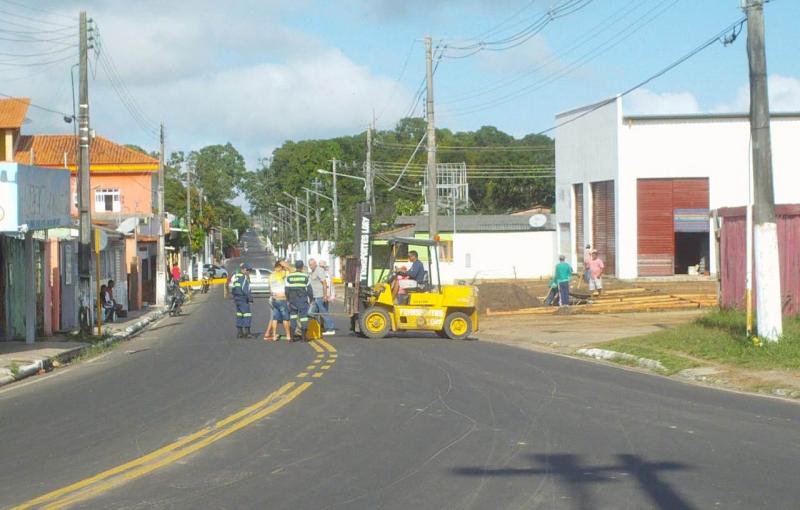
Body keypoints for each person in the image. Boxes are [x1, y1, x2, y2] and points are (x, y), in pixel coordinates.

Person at [264, 260, 291, 341]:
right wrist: (286, 265)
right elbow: (292, 271)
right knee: (285, 318)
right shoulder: (282, 273)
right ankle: (288, 335)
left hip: (273, 299)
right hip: (282, 299)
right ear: (280, 267)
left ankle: (274, 335)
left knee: (275, 318)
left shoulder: (271, 275)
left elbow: (269, 288)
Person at [285, 260, 312, 341]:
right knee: (303, 318)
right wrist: (311, 300)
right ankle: (304, 338)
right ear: (302, 267)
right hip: (302, 300)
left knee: (293, 318)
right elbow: (309, 290)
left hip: (292, 300)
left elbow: (286, 290)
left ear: (295, 266)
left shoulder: (289, 277)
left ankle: (292, 338)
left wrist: (288, 300)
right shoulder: (305, 277)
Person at [308, 259, 336, 335]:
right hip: (316, 296)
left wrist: (325, 295)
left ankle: (331, 329)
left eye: (312, 264)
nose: (311, 266)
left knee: (322, 313)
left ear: (315, 264)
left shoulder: (319, 270)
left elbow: (324, 283)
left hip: (320, 296)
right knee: (312, 313)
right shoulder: (313, 272)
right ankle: (317, 328)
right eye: (309, 265)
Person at [231, 264, 254, 338]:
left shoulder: (236, 277)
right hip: (243, 298)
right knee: (247, 314)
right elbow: (245, 290)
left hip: (237, 298)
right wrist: (250, 299)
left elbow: (233, 289)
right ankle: (247, 333)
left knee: (239, 315)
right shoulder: (243, 278)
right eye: (248, 270)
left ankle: (239, 332)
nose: (249, 272)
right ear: (243, 270)